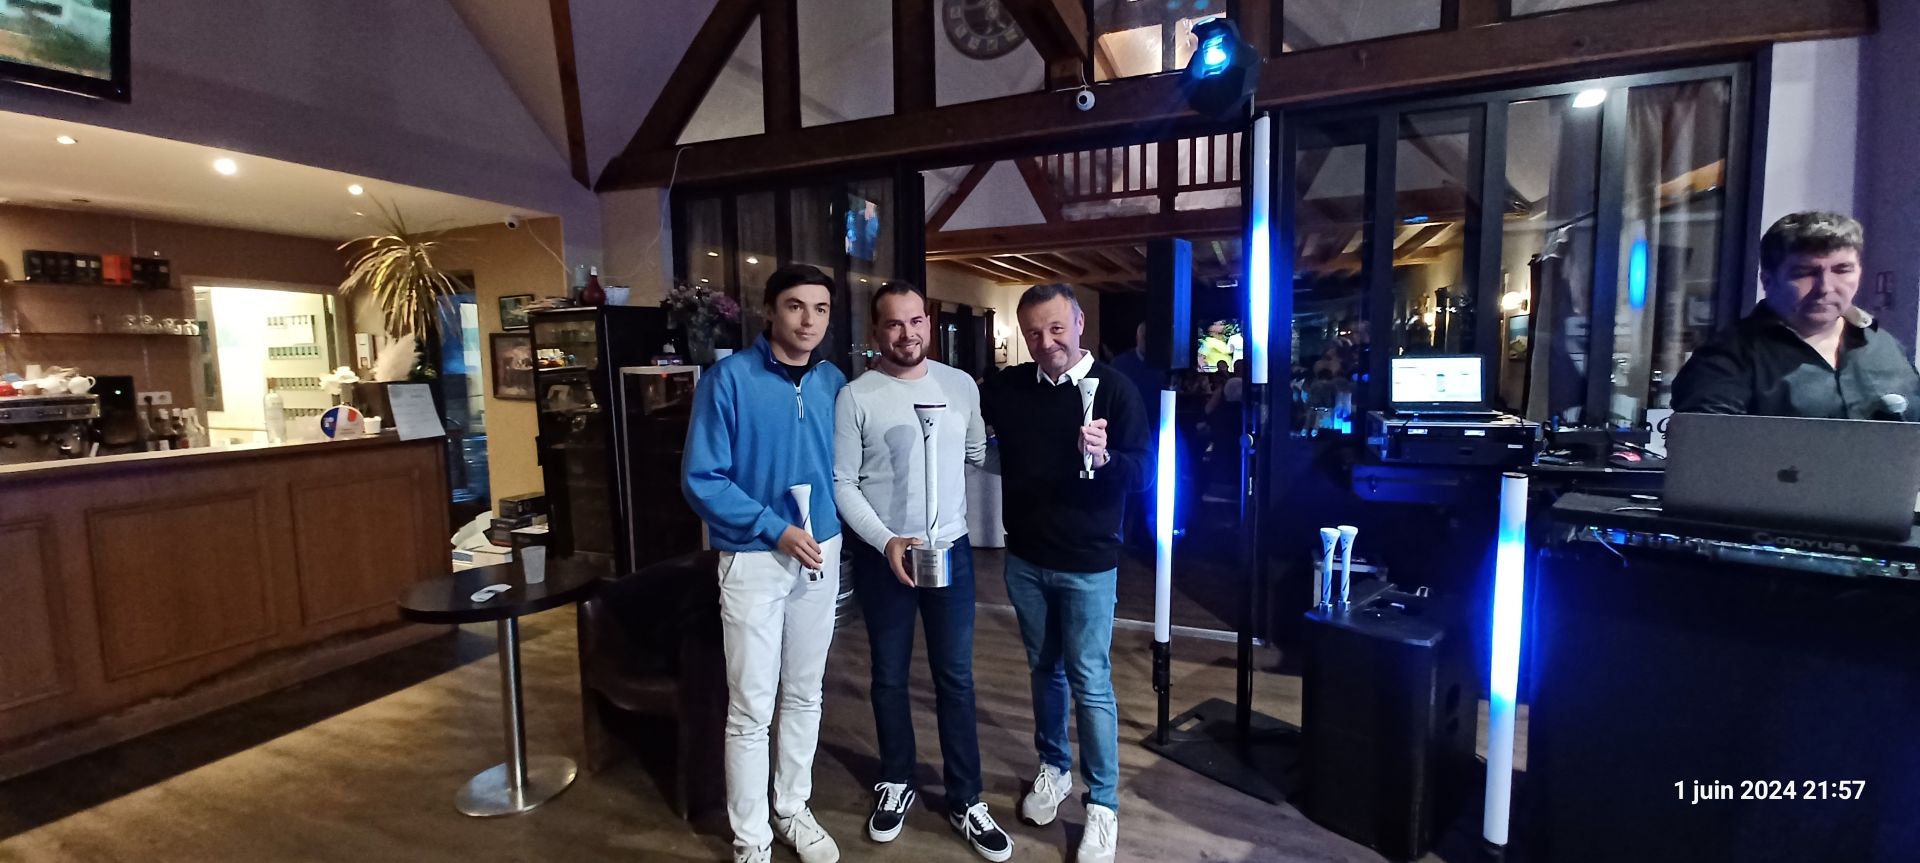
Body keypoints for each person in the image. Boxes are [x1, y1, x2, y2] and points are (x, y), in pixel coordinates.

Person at [831, 282, 1011, 862]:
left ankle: (966, 798)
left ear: (928, 323)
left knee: (955, 677)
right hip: (884, 556)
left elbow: (977, 454)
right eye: (893, 324)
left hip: (950, 551)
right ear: (875, 331)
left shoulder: (960, 386)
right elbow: (843, 483)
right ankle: (897, 778)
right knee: (888, 674)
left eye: (915, 321)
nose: (906, 334)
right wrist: (886, 540)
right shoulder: (856, 396)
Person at [683, 264, 848, 863]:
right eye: (796, 306)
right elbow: (702, 478)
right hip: (755, 556)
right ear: (770, 311)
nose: (809, 320)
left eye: (821, 309)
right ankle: (751, 839)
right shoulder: (728, 380)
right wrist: (774, 528)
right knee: (752, 706)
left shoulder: (833, 382)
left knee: (805, 692)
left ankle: (792, 809)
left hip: (821, 551)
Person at [980, 283, 1151, 863]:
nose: (1046, 341)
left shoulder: (1117, 390)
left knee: (1091, 681)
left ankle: (1102, 804)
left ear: (1079, 322)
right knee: (1044, 670)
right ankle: (1053, 768)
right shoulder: (1008, 388)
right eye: (1034, 332)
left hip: (1088, 563)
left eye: (1056, 328)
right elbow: (962, 412)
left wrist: (1105, 459)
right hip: (1026, 559)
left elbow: (1145, 474)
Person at [1673, 212, 1920, 419]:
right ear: (1767, 280)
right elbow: (1710, 452)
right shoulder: (1726, 359)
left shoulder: (1884, 346)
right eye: (1805, 272)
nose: (1825, 287)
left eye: (1842, 270)